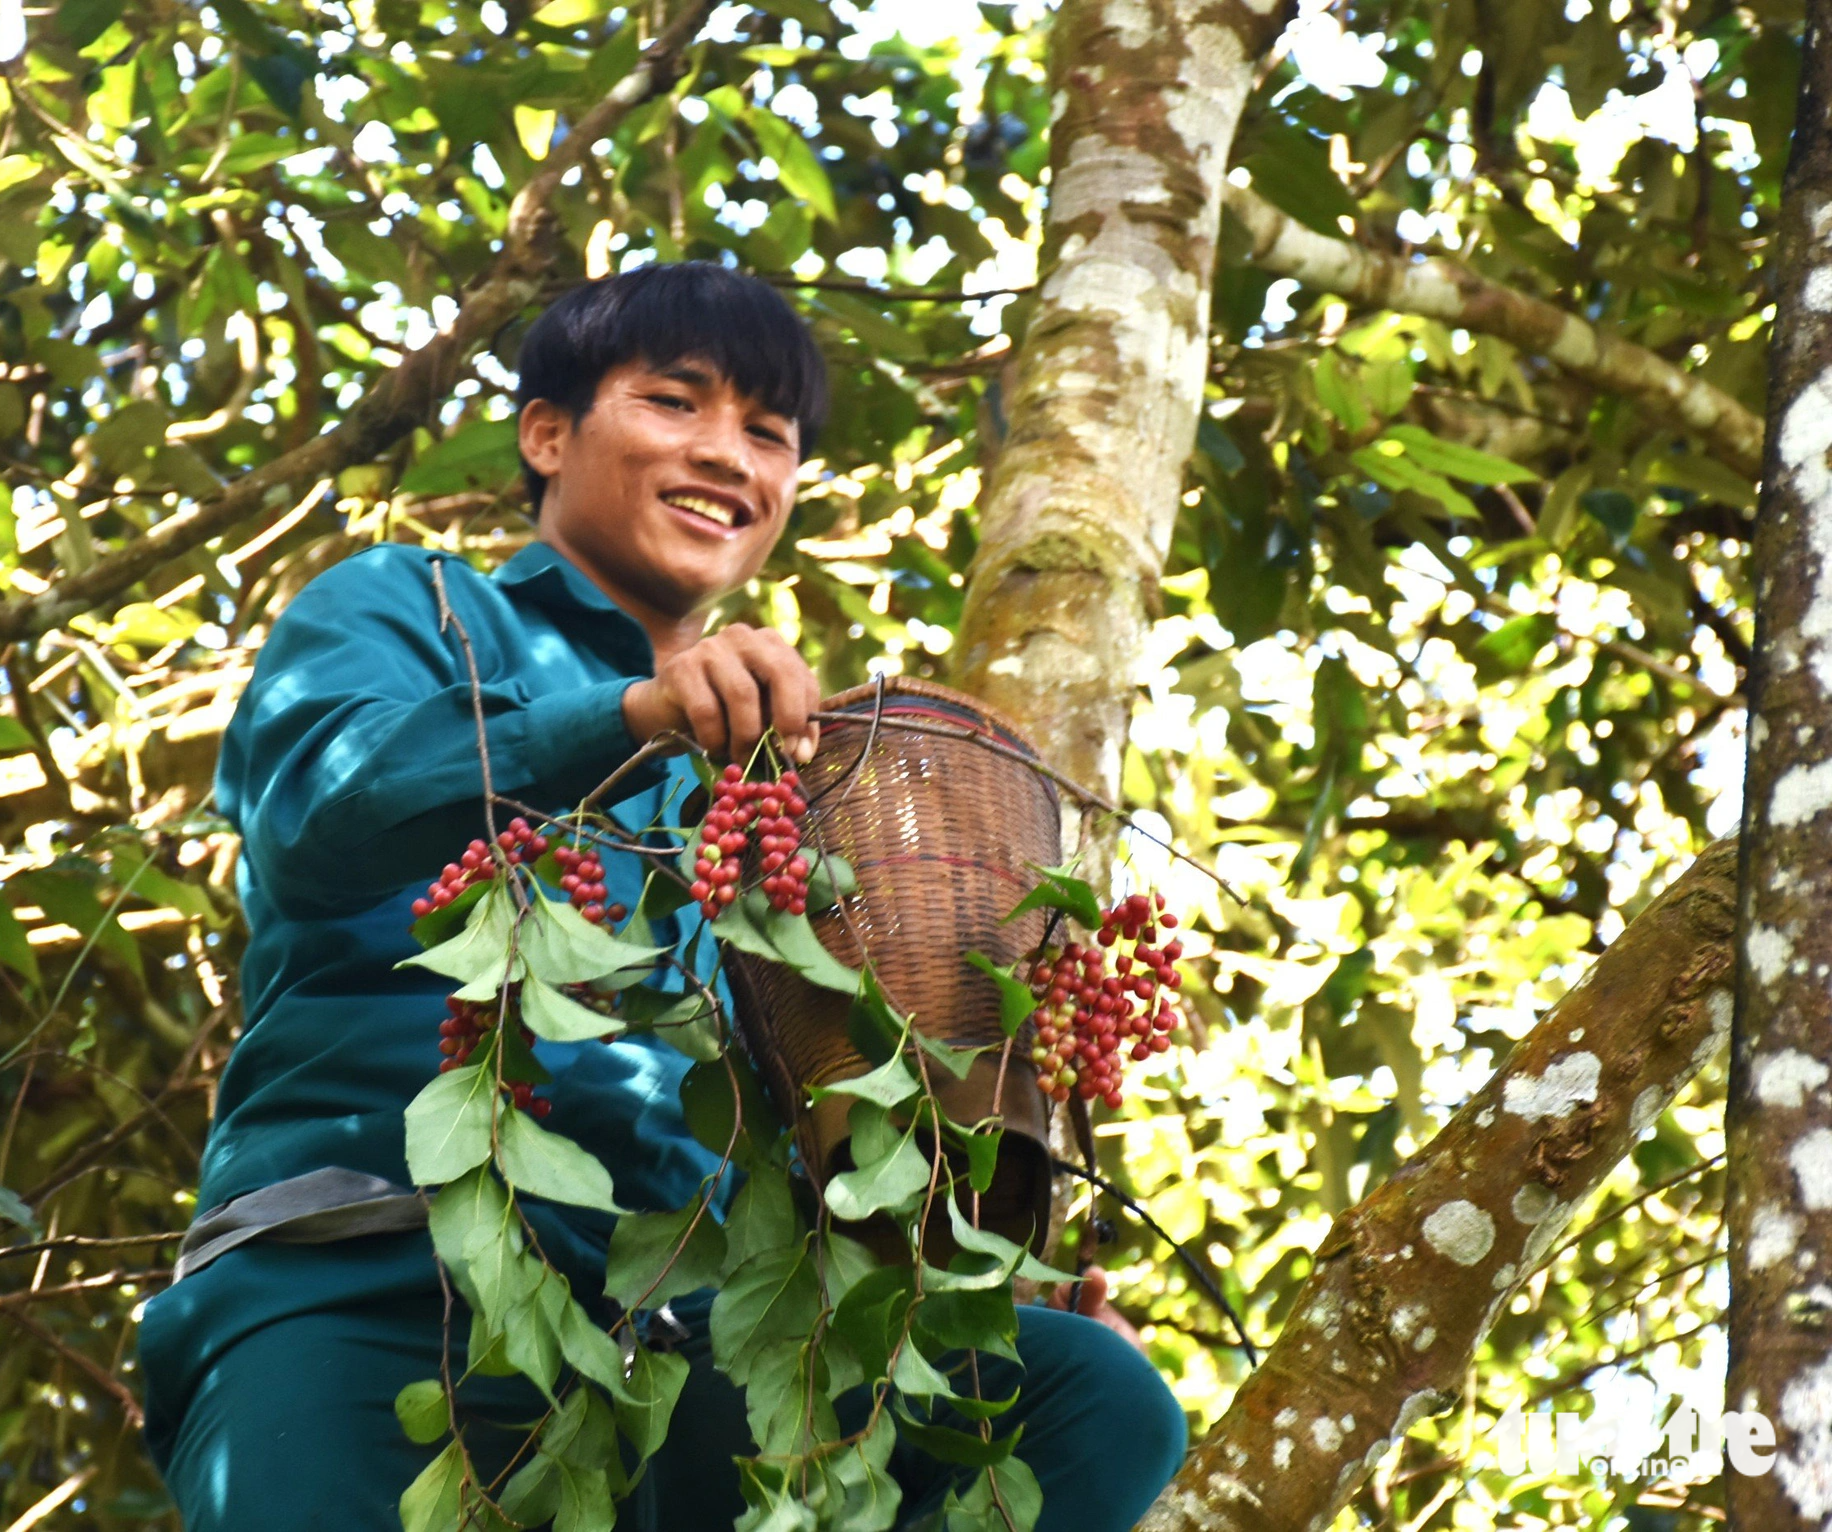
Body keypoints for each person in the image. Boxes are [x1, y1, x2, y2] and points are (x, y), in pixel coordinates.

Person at [136, 261, 1187, 1531]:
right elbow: (318, 813)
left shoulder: (786, 789)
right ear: (546, 433)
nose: (726, 455)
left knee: (1091, 1401)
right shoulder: (413, 607)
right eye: (674, 403)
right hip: (365, 1278)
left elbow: (802, 1127)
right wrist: (627, 715)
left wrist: (971, 1267)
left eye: (766, 433)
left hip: (672, 1354)